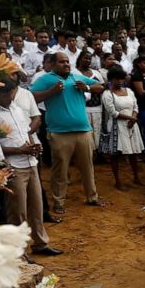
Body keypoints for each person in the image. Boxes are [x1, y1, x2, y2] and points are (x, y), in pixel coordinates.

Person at [0, 79, 62, 256]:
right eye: (8, 93)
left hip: (30, 163)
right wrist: (19, 150)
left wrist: (33, 146)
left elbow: (26, 132)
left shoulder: (16, 108)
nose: (11, 96)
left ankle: (40, 243)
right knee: (17, 212)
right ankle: (19, 251)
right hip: (13, 166)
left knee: (36, 208)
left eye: (12, 92)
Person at [31, 51, 103, 213]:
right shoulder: (46, 79)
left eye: (67, 62)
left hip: (83, 131)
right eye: (62, 62)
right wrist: (52, 91)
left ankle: (92, 197)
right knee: (60, 170)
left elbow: (100, 86)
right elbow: (32, 97)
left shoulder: (75, 77)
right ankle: (59, 202)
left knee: (87, 167)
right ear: (53, 64)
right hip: (59, 133)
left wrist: (87, 87)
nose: (66, 64)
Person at [101, 65, 145, 191]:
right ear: (111, 80)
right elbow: (112, 112)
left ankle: (136, 177)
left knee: (133, 153)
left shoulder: (130, 91)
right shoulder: (107, 94)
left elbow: (135, 106)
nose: (120, 81)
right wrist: (131, 119)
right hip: (117, 126)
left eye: (121, 79)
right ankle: (118, 181)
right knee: (116, 154)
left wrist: (134, 117)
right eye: (116, 79)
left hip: (131, 125)